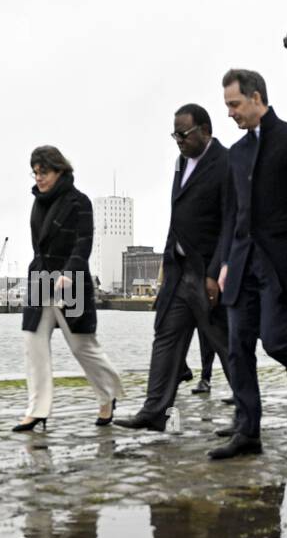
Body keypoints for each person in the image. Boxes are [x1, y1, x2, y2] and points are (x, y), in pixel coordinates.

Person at [209, 67, 287, 460]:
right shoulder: (235, 154)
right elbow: (232, 214)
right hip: (240, 264)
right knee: (238, 348)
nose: (230, 113)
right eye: (227, 106)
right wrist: (223, 263)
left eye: (235, 104)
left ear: (256, 98)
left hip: (280, 263)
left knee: (273, 341)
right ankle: (248, 431)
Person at [115, 105, 231, 433]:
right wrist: (166, 268)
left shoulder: (225, 163)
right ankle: (154, 411)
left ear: (205, 130)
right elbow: (176, 217)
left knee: (224, 343)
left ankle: (247, 415)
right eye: (174, 134)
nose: (178, 140)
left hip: (205, 272)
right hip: (178, 270)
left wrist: (214, 272)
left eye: (184, 133)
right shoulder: (180, 162)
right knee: (165, 335)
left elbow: (229, 220)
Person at [14, 146, 124, 432]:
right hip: (40, 280)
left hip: (70, 283)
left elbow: (83, 243)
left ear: (60, 171)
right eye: (35, 172)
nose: (38, 178)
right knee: (32, 343)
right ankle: (37, 409)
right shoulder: (37, 203)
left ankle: (108, 395)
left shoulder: (79, 202)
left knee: (82, 347)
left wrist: (69, 273)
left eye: (44, 172)